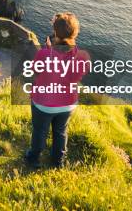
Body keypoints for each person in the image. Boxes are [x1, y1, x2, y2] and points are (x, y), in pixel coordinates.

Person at [25, 12, 90, 168]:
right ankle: (58, 162)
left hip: (43, 104)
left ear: (55, 33)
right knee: (61, 132)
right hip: (67, 104)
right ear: (75, 33)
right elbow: (75, 74)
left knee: (40, 131)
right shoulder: (83, 56)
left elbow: (35, 70)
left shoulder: (44, 54)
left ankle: (33, 159)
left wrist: (49, 51)